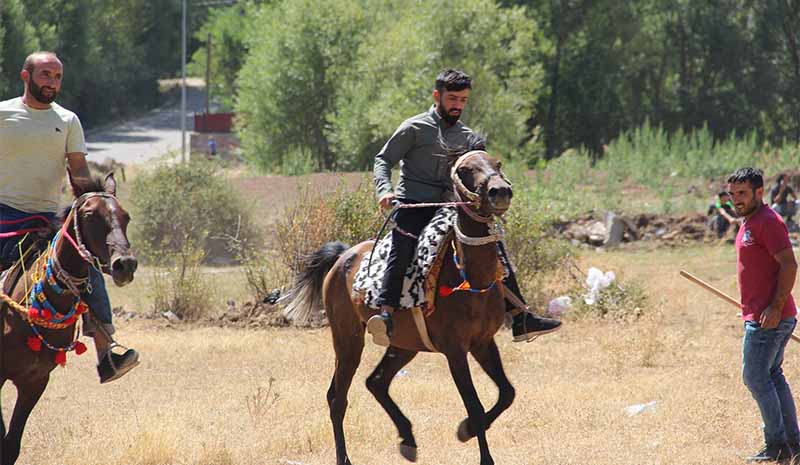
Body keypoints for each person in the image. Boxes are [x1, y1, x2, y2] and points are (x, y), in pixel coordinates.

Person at [366, 68, 561, 347]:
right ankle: (385, 316)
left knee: (494, 244)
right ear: (437, 96)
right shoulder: (414, 128)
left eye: (463, 100)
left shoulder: (469, 138)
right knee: (403, 247)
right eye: (453, 98)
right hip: (412, 205)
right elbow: (383, 160)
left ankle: (520, 317)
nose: (458, 105)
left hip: (450, 207)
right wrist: (385, 190)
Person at [0, 51, 139, 383]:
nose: (52, 82)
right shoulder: (3, 114)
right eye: (46, 74)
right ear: (26, 76)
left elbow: (78, 170)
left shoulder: (67, 120)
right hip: (3, 214)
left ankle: (107, 352)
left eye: (58, 76)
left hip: (47, 219)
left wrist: (93, 200)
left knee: (85, 267)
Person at [727, 168, 799, 463]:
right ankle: (793, 443)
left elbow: (789, 264)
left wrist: (774, 305)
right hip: (763, 315)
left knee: (755, 377)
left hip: (769, 317)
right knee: (772, 375)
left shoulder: (767, 222)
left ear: (759, 191)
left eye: (742, 194)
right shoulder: (750, 221)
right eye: (732, 194)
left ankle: (777, 445)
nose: (736, 200)